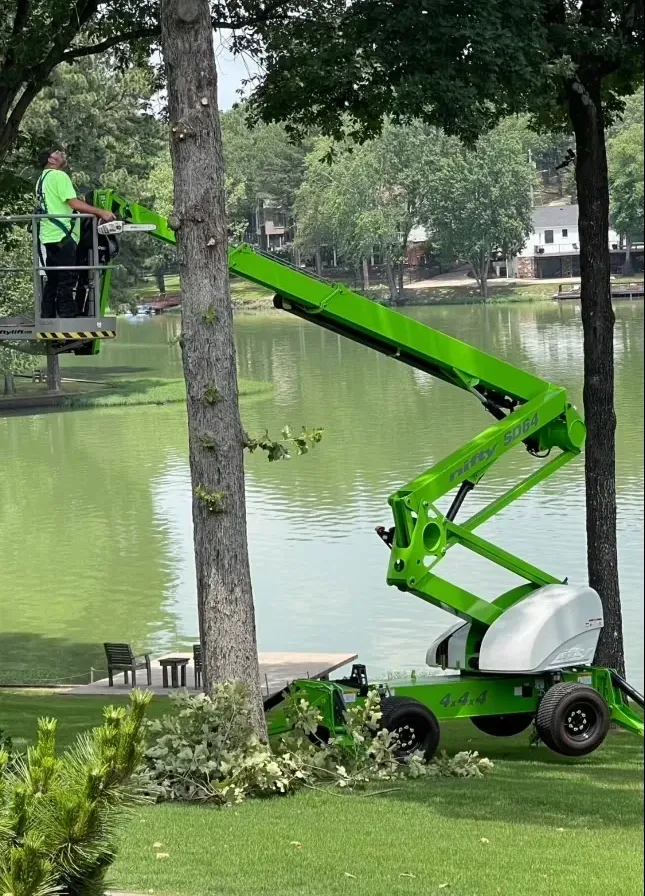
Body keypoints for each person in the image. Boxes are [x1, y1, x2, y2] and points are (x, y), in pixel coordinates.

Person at [36, 147, 116, 318]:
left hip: (48, 235)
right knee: (67, 278)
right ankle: (67, 316)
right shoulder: (59, 176)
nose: (62, 154)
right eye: (57, 153)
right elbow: (73, 204)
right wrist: (101, 212)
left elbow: (58, 203)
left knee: (53, 280)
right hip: (63, 235)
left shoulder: (42, 179)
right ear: (51, 160)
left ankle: (47, 315)